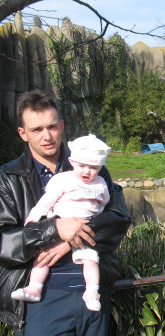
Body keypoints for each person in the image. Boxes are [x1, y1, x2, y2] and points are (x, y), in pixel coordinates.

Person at [0, 90, 132, 336]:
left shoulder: (91, 168)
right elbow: (4, 243)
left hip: (92, 293)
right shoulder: (8, 178)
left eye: (52, 126)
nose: (47, 136)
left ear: (61, 126)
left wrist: (69, 242)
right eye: (37, 129)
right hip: (41, 299)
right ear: (23, 134)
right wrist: (55, 229)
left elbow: (118, 218)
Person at [11, 134, 112, 312]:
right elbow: (47, 200)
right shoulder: (63, 180)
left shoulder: (100, 184)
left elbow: (105, 204)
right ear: (72, 162)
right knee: (43, 258)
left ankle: (92, 292)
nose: (87, 172)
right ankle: (35, 287)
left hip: (85, 231)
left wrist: (95, 220)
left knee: (91, 261)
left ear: (100, 167)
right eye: (82, 166)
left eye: (93, 168)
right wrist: (35, 216)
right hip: (57, 226)